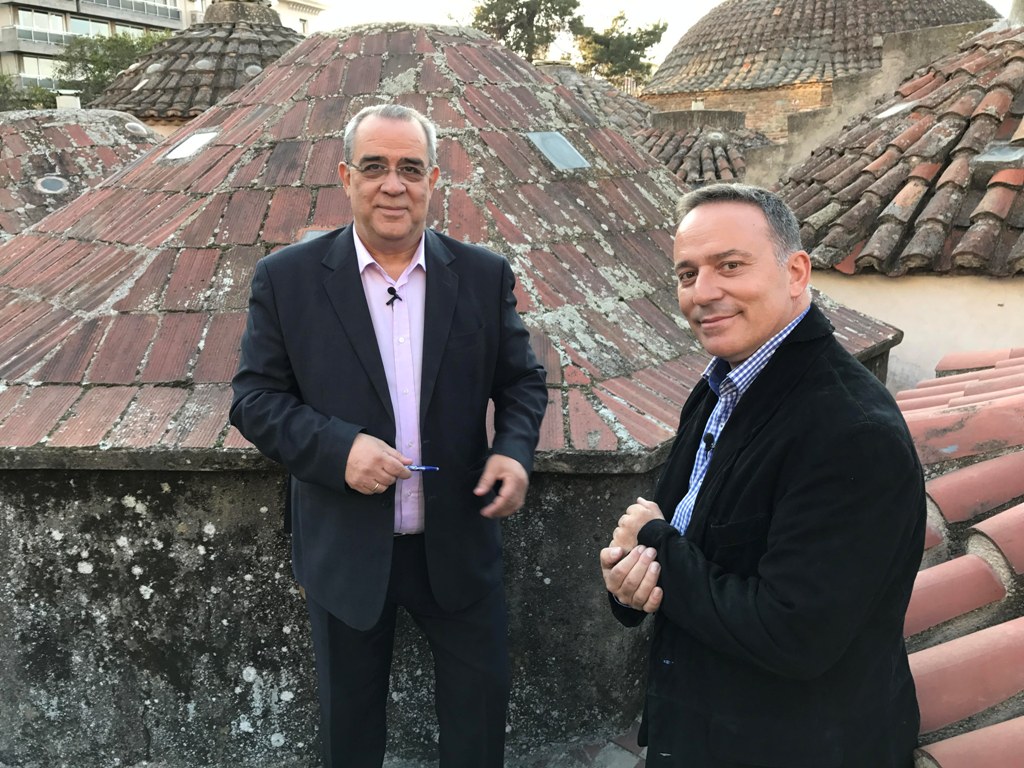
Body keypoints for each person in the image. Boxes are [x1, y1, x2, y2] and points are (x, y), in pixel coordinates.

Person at [230, 103, 547, 768]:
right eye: (374, 167)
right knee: (349, 737)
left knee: (479, 729)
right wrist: (338, 448)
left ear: (434, 179)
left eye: (410, 168)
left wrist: (514, 452)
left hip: (459, 547)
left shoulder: (483, 275)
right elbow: (254, 401)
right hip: (345, 553)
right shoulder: (286, 280)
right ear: (347, 177)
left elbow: (522, 382)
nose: (393, 185)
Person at [601, 184, 925, 768]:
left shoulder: (852, 432)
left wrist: (652, 544)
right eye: (687, 273)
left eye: (730, 266)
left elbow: (794, 635)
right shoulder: (720, 386)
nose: (703, 292)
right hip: (699, 733)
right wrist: (632, 578)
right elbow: (688, 545)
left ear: (796, 272)